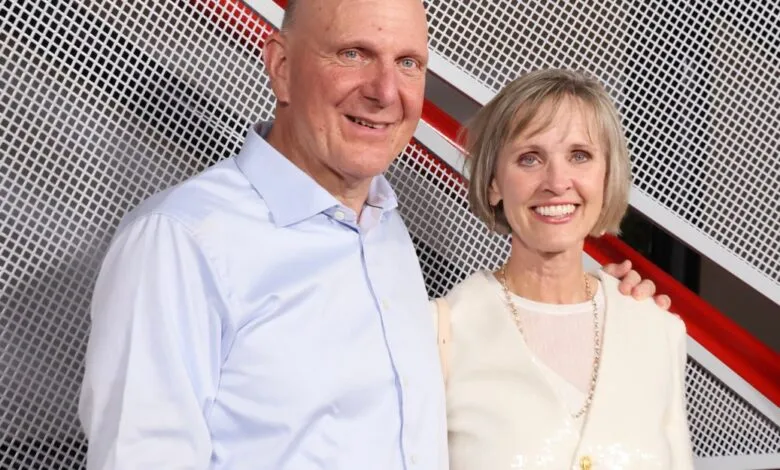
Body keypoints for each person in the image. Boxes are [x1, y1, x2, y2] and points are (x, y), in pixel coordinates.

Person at [78, 1, 668, 468]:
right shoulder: (181, 243)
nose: (386, 91)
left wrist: (610, 305)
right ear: (281, 66)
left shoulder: (386, 233)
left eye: (408, 62)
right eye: (354, 53)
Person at [435, 69, 694, 470]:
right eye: (529, 158)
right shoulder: (442, 332)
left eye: (579, 155)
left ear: (606, 175)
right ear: (493, 184)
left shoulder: (658, 330)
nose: (557, 182)